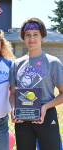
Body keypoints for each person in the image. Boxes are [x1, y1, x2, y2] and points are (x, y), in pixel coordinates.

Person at [10, 17, 63, 150]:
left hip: (47, 114)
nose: (31, 38)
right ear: (23, 38)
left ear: (42, 37)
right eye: (27, 35)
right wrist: (12, 109)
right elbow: (12, 93)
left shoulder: (53, 62)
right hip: (23, 118)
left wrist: (45, 107)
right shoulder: (16, 64)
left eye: (35, 35)